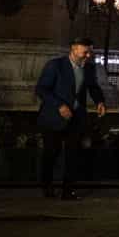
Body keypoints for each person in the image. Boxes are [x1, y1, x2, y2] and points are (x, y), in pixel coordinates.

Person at [35, 37, 105, 200]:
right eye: (85, 52)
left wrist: (100, 102)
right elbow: (41, 89)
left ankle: (68, 191)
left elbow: (93, 87)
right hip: (53, 117)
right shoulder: (55, 65)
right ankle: (47, 186)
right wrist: (59, 105)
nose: (88, 55)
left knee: (73, 155)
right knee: (51, 153)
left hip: (76, 117)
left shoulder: (89, 68)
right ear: (74, 48)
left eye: (90, 52)